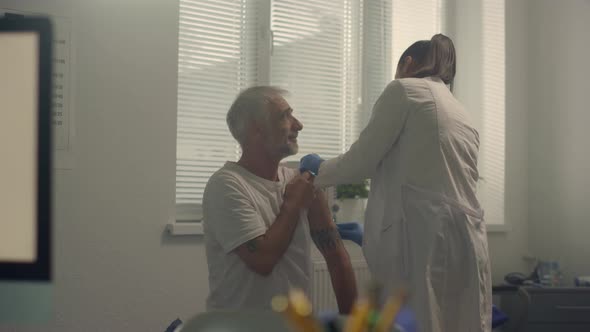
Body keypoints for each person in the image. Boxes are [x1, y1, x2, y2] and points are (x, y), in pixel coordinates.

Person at [300, 34, 492, 332]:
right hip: (463, 238)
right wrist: (375, 232)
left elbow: (361, 161)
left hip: (422, 237)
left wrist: (319, 169)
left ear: (408, 63)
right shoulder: (459, 110)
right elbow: (427, 177)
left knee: (415, 322)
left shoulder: (404, 90)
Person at [202, 86, 357, 313]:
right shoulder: (225, 185)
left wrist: (354, 323)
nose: (298, 125)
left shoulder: (300, 182)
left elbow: (336, 258)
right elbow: (263, 261)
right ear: (257, 129)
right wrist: (293, 205)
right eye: (285, 116)